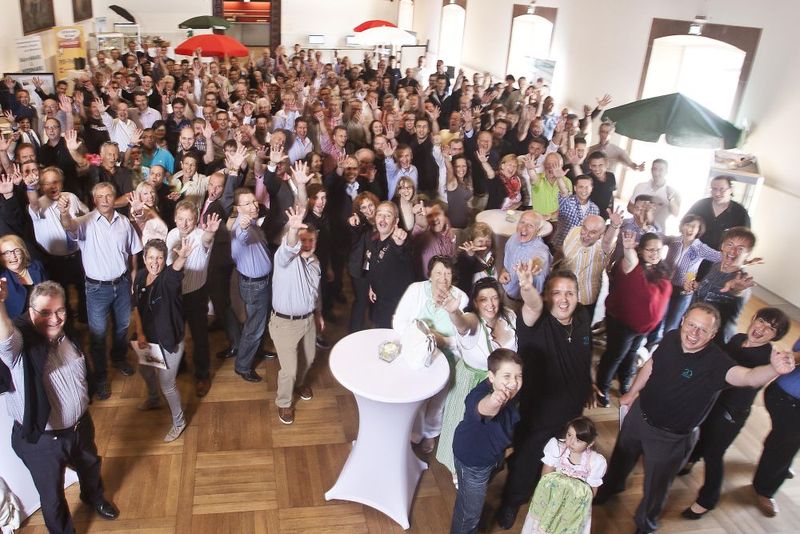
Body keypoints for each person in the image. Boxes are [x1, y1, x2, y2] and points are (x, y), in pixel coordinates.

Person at [594, 303, 796, 534]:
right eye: (691, 325)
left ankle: (645, 524)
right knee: (621, 456)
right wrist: (631, 393)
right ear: (682, 322)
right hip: (639, 415)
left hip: (670, 436)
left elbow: (748, 377)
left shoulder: (716, 362)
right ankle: (611, 488)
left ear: (713, 334)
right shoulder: (670, 338)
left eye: (703, 330)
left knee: (656, 486)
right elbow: (651, 364)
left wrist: (774, 369)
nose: (694, 333)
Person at [0, 280, 120, 533]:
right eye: (45, 312)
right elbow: (6, 341)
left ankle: (93, 496)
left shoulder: (67, 333)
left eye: (60, 310)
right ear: (30, 312)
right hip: (43, 442)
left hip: (80, 426)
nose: (54, 319)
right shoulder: (21, 344)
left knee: (90, 465)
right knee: (53, 497)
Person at [496, 267, 594, 530]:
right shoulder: (535, 319)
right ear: (547, 296)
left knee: (557, 457)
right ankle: (511, 501)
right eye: (556, 293)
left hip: (573, 411)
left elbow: (585, 354)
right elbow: (532, 305)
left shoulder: (583, 315)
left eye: (569, 293)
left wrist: (590, 383)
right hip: (540, 411)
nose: (564, 299)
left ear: (578, 295)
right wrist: (527, 287)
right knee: (529, 458)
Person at [680, 307, 790, 519]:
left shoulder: (767, 358)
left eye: (770, 329)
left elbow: (741, 377)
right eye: (761, 321)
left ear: (775, 336)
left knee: (714, 455)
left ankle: (707, 500)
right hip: (713, 401)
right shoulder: (738, 338)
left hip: (730, 413)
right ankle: (690, 461)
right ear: (754, 318)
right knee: (700, 434)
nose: (761, 329)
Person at [59, 182, 143, 400]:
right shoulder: (84, 222)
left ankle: (118, 357)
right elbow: (68, 226)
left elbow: (133, 252)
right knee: (97, 334)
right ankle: (102, 377)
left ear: (114, 198)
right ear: (94, 199)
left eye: (109, 196)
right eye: (100, 196)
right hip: (97, 288)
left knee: (122, 327)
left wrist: (132, 279)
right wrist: (63, 212)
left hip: (122, 283)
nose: (105, 200)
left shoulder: (124, 222)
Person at [437, 277, 518, 480]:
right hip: (472, 385)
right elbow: (463, 325)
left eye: (494, 298)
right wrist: (454, 311)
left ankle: (490, 464)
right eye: (484, 299)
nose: (490, 304)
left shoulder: (509, 317)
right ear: (475, 303)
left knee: (494, 432)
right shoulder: (473, 322)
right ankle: (460, 473)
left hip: (503, 386)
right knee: (468, 431)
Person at [394, 255, 469, 453]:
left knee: (437, 401)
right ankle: (414, 433)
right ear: (430, 275)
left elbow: (464, 340)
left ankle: (431, 434)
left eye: (447, 273)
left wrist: (441, 340)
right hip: (417, 355)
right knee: (416, 397)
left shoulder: (461, 298)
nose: (442, 278)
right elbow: (399, 322)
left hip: (445, 358)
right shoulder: (416, 290)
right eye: (438, 272)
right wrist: (425, 335)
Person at [450, 348, 523, 534]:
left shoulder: (512, 392)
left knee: (469, 498)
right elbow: (483, 408)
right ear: (491, 376)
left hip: (493, 457)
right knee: (470, 516)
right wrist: (494, 401)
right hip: (473, 463)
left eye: (518, 376)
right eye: (507, 376)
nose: (513, 383)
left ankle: (466, 494)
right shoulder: (481, 394)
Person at [595, 232, 672, 407]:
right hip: (622, 324)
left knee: (631, 354)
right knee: (615, 355)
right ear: (641, 250)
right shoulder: (632, 264)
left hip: (642, 328)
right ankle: (601, 389)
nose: (655, 253)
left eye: (658, 250)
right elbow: (630, 259)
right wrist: (628, 248)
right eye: (650, 250)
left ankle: (624, 383)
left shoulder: (660, 269)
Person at [132, 238, 195, 442]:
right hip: (148, 339)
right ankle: (153, 398)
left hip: (169, 342)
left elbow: (175, 272)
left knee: (167, 384)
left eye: (159, 258)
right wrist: (140, 333)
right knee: (146, 371)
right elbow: (136, 307)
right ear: (144, 258)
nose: (155, 262)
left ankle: (179, 422)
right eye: (151, 257)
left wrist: (182, 257)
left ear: (165, 259)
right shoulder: (141, 276)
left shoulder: (168, 278)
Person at [269, 207, 323, 425]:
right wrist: (293, 231)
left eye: (311, 240)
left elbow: (315, 292)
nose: (307, 244)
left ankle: (300, 384)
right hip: (285, 324)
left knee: (309, 358)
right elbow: (289, 246)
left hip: (308, 320)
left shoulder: (316, 262)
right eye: (303, 240)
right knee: (289, 370)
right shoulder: (285, 260)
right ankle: (284, 403)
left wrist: (318, 314)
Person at [166, 200, 221, 397]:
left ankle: (202, 374)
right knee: (176, 333)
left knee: (199, 337)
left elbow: (206, 240)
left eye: (189, 219)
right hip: (175, 295)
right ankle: (178, 366)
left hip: (196, 295)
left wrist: (211, 232)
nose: (184, 223)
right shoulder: (171, 235)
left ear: (196, 220)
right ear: (175, 218)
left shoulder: (201, 236)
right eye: (181, 219)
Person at [521, 417, 607, 534]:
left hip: (574, 508)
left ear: (590, 443)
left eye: (578, 440)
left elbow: (591, 493)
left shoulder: (595, 462)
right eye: (569, 435)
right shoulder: (557, 448)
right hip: (551, 501)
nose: (571, 442)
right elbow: (545, 478)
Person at [752, 336, 800, 518]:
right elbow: (793, 356)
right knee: (784, 446)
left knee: (784, 441)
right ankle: (764, 489)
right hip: (788, 400)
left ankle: (777, 455)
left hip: (788, 401)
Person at [687, 226, 757, 344]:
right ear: (722, 246)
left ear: (748, 254)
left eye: (740, 249)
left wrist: (736, 289)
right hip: (697, 328)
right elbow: (710, 290)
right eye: (730, 244)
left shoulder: (741, 280)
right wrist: (698, 286)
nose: (733, 251)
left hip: (716, 339)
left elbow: (737, 292)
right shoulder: (716, 266)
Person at [231, 188, 273, 382]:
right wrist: (246, 226)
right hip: (254, 286)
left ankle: (255, 351)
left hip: (260, 283)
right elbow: (242, 236)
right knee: (254, 328)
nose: (253, 205)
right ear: (238, 208)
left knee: (258, 324)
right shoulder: (242, 226)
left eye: (254, 202)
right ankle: (243, 366)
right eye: (247, 203)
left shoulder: (253, 222)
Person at [659, 214, 721, 336]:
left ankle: (666, 346)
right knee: (659, 317)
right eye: (687, 225)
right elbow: (657, 237)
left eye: (694, 227)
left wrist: (743, 260)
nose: (690, 229)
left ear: (699, 230)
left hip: (684, 291)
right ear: (682, 226)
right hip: (666, 286)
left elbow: (720, 257)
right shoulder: (674, 241)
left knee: (672, 325)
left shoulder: (700, 248)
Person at [558, 212, 622, 321]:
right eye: (585, 229)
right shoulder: (574, 231)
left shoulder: (602, 247)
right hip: (562, 292)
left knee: (579, 331)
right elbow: (562, 252)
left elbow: (607, 242)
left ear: (600, 235)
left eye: (593, 232)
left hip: (583, 300)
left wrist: (614, 225)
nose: (586, 235)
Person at [687, 175, 751, 279]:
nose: (717, 193)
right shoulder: (700, 205)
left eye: (722, 189)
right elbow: (685, 224)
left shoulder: (740, 213)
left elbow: (745, 242)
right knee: (687, 285)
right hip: (693, 257)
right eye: (714, 189)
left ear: (730, 190)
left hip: (720, 262)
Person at [498, 211, 552, 301]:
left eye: (530, 225)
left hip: (526, 303)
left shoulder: (541, 249)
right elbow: (506, 264)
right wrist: (503, 272)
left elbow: (540, 259)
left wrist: (531, 266)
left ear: (538, 231)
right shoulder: (513, 239)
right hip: (507, 296)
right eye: (522, 222)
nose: (524, 228)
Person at [0, 236, 48, 318]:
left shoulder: (37, 267)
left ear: (23, 252)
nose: (13, 256)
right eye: (6, 253)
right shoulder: (2, 278)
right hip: (19, 324)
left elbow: (49, 293)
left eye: (16, 251)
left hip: (44, 316)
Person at [628, 159, 680, 232]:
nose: (657, 172)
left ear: (666, 172)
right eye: (654, 169)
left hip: (658, 234)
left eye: (661, 169)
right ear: (651, 170)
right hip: (636, 229)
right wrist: (639, 210)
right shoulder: (640, 186)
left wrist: (671, 199)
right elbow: (629, 206)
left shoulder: (673, 192)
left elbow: (676, 214)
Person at [455, 222, 497, 294]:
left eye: (488, 241)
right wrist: (470, 255)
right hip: (469, 290)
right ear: (471, 241)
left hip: (485, 286)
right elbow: (466, 268)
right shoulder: (464, 255)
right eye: (480, 241)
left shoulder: (491, 254)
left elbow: (490, 268)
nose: (484, 244)